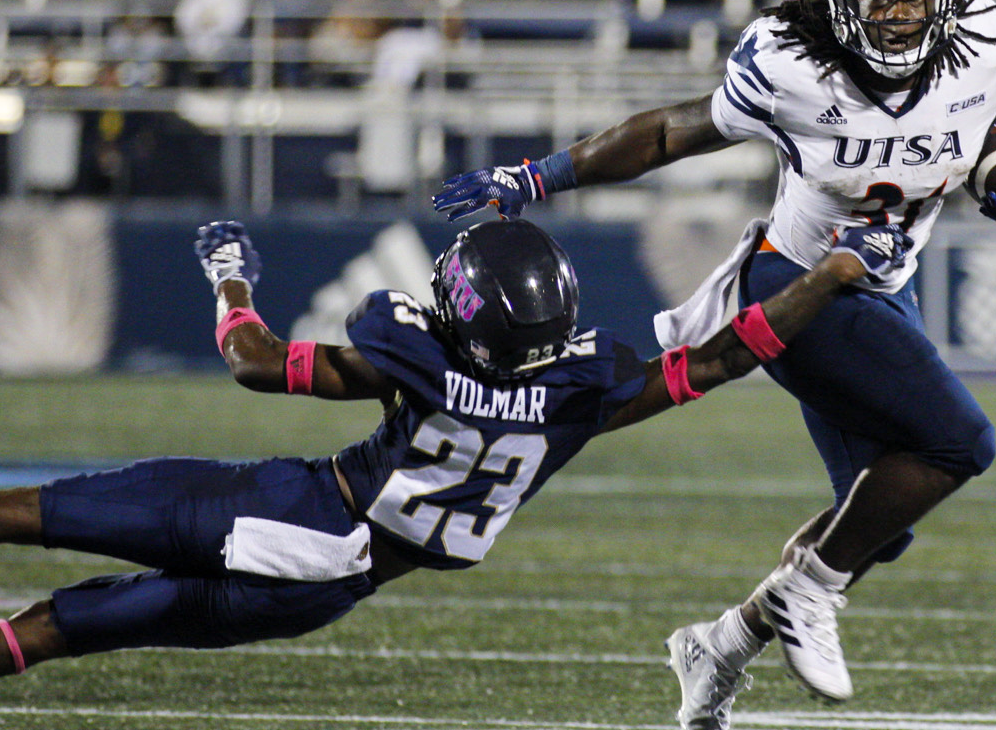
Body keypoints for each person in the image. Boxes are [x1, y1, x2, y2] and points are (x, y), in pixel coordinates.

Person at [431, 0, 996, 730]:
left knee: (881, 515)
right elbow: (668, 134)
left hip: (885, 289)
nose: (897, 15)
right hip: (793, 281)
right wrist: (535, 178)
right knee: (960, 443)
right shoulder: (792, 64)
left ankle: (722, 644)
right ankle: (809, 589)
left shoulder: (989, 43)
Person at [0, 216, 906, 679]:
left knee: (35, 514)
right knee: (59, 629)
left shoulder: (412, 355)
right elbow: (721, 354)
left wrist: (230, 273)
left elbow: (254, 361)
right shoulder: (583, 396)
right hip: (326, 593)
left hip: (290, 514)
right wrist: (829, 275)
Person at [173, 0, 253, 87]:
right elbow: (182, 16)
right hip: (197, 42)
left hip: (226, 43)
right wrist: (201, 22)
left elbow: (236, 18)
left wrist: (213, 22)